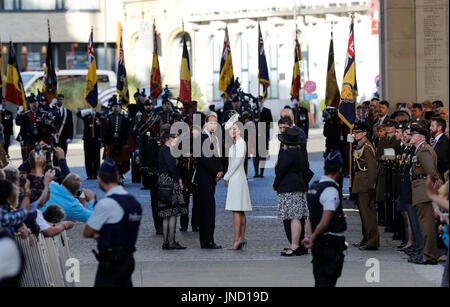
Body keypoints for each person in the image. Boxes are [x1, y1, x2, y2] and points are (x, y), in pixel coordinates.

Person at [84, 159, 142, 287]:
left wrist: (92, 202)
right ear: (118, 177)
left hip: (111, 262)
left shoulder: (107, 203)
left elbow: (87, 231)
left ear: (99, 179)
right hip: (128, 259)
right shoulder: (135, 203)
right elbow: (122, 228)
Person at [303, 150, 347, 287]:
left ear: (324, 167)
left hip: (319, 245)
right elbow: (325, 221)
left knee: (320, 279)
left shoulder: (315, 187)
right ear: (340, 169)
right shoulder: (331, 190)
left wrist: (309, 237)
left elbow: (310, 217)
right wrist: (314, 237)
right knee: (327, 281)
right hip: (329, 244)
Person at [408, 120, 441, 264]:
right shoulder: (420, 149)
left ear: (420, 136)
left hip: (424, 189)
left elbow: (431, 171)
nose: (411, 135)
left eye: (413, 133)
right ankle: (427, 255)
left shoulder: (424, 150)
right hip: (421, 189)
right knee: (424, 224)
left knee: (426, 225)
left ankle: (429, 256)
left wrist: (437, 183)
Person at [273, 128, 309, 256]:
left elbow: (281, 171)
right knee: (297, 216)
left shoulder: (288, 153)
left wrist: (275, 184)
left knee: (293, 217)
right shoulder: (299, 151)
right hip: (298, 185)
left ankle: (294, 246)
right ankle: (297, 244)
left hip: (288, 187)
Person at [223, 114, 252, 250]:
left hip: (237, 177)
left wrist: (227, 176)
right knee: (239, 210)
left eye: (235, 129)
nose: (232, 131)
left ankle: (237, 239)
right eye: (230, 129)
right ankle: (241, 238)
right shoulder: (236, 144)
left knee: (237, 210)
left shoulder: (240, 143)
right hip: (236, 177)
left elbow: (237, 162)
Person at [195, 114, 223, 249]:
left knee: (211, 210)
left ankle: (209, 239)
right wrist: (215, 172)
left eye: (215, 123)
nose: (213, 125)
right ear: (205, 124)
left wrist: (220, 170)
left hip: (212, 179)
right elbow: (203, 159)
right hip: (204, 179)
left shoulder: (214, 138)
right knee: (206, 210)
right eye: (211, 123)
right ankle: (206, 241)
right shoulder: (200, 138)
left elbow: (217, 157)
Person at [352, 122, 379, 250]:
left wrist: (371, 186)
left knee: (368, 214)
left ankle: (372, 241)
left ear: (364, 133)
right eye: (354, 132)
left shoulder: (367, 147)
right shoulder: (360, 145)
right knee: (363, 214)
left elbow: (372, 168)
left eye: (357, 132)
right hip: (360, 182)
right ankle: (366, 238)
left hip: (365, 183)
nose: (354, 134)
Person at [158, 129, 187, 250]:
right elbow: (172, 168)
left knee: (166, 214)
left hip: (163, 183)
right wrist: (179, 180)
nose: (176, 140)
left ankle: (166, 242)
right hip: (170, 184)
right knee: (173, 213)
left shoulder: (163, 150)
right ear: (167, 139)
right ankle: (171, 241)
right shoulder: (167, 151)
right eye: (174, 138)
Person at [101, 96, 131, 184]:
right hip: (110, 142)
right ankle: (111, 177)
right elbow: (103, 130)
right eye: (114, 106)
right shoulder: (107, 117)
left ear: (120, 107)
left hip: (121, 142)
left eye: (117, 106)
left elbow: (127, 131)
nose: (115, 108)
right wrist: (103, 141)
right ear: (111, 107)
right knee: (111, 161)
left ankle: (120, 176)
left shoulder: (125, 117)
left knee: (120, 161)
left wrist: (126, 142)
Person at [76, 108, 102, 180]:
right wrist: (87, 111)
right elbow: (78, 114)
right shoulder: (86, 115)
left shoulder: (98, 115)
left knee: (96, 157)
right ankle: (89, 174)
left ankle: (96, 173)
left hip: (96, 139)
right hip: (87, 139)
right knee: (88, 157)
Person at [253, 96, 273, 178]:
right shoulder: (253, 111)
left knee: (263, 154)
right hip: (254, 135)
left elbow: (271, 124)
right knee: (255, 154)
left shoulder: (267, 111)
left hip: (264, 134)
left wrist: (270, 135)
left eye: (261, 101)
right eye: (258, 101)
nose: (259, 102)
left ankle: (261, 172)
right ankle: (256, 172)